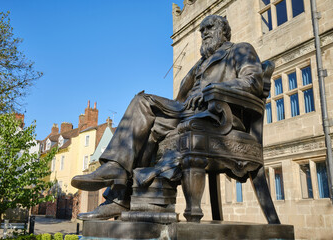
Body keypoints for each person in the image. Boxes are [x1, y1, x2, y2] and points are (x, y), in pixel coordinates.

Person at [71, 14, 263, 220]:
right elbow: (181, 97)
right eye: (201, 30)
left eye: (209, 27)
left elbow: (253, 81)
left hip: (220, 117)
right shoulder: (200, 63)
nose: (204, 32)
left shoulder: (240, 49)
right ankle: (119, 193)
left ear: (224, 31)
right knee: (143, 108)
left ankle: (120, 189)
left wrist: (212, 89)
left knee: (147, 111)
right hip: (190, 113)